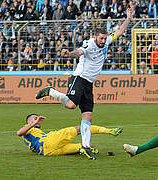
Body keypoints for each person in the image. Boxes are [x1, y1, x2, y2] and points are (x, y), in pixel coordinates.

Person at [35, 6, 135, 160]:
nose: (103, 41)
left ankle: (86, 146)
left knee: (87, 116)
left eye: (104, 38)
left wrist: (128, 17)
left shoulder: (107, 40)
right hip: (79, 79)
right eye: (101, 38)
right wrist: (70, 54)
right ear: (95, 37)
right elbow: (79, 52)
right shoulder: (90, 45)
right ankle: (50, 91)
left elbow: (120, 31)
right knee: (71, 105)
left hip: (89, 84)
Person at [17, 114, 122, 158]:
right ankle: (110, 131)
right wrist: (33, 123)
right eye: (35, 118)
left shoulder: (34, 132)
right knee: (80, 128)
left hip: (48, 152)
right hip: (49, 141)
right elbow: (19, 133)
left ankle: (83, 149)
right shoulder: (28, 127)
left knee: (87, 145)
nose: (37, 119)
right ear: (29, 121)